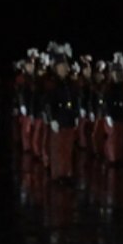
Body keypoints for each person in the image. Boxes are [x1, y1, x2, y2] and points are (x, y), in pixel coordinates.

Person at [43, 43, 81, 182]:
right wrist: (52, 118)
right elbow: (48, 103)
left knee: (67, 148)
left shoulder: (70, 83)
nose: (64, 68)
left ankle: (66, 173)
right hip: (58, 119)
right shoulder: (52, 83)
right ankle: (58, 174)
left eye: (65, 66)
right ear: (56, 68)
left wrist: (76, 116)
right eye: (61, 66)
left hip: (69, 119)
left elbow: (75, 100)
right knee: (58, 149)